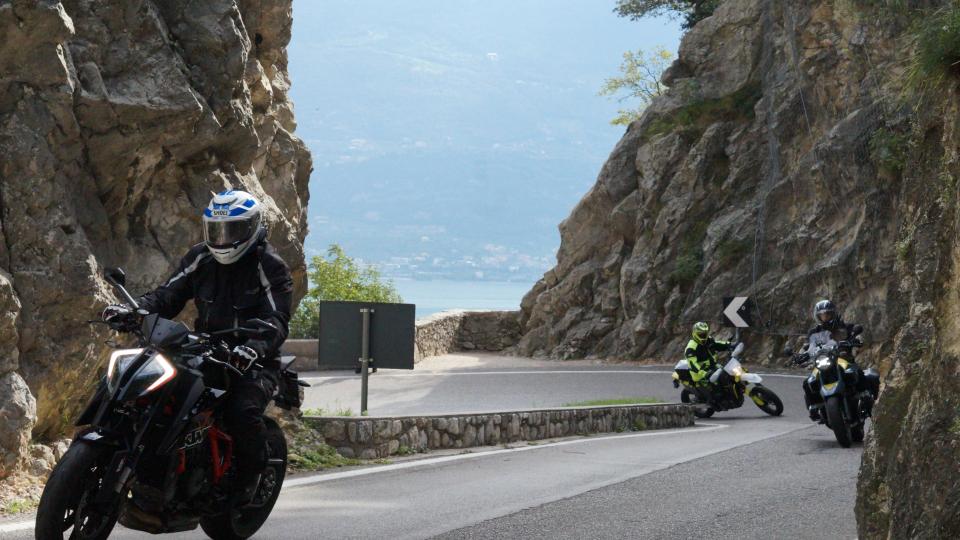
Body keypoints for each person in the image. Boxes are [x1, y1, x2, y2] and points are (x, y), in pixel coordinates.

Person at [102, 190, 293, 505]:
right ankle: (141, 465)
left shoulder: (269, 266)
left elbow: (277, 319)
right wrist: (135, 311)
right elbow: (168, 295)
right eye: (216, 230)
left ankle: (248, 481)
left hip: (254, 361)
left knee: (241, 413)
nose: (222, 238)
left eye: (232, 230)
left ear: (253, 228)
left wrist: (254, 347)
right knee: (146, 389)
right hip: (204, 350)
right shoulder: (200, 257)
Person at [796, 299, 865, 420]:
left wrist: (856, 339)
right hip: (823, 362)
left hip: (842, 359)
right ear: (818, 316)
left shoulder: (844, 326)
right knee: (807, 383)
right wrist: (801, 355)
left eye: (827, 313)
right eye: (822, 315)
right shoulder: (814, 332)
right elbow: (807, 346)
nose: (825, 317)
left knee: (858, 372)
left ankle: (865, 396)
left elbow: (857, 333)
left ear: (833, 313)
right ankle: (814, 408)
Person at [685, 321, 733, 390]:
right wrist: (704, 373)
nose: (704, 336)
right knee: (717, 390)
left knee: (727, 374)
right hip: (700, 374)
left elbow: (716, 344)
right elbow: (693, 365)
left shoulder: (708, 340)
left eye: (705, 334)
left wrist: (729, 345)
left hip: (712, 367)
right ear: (695, 334)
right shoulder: (691, 347)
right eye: (701, 334)